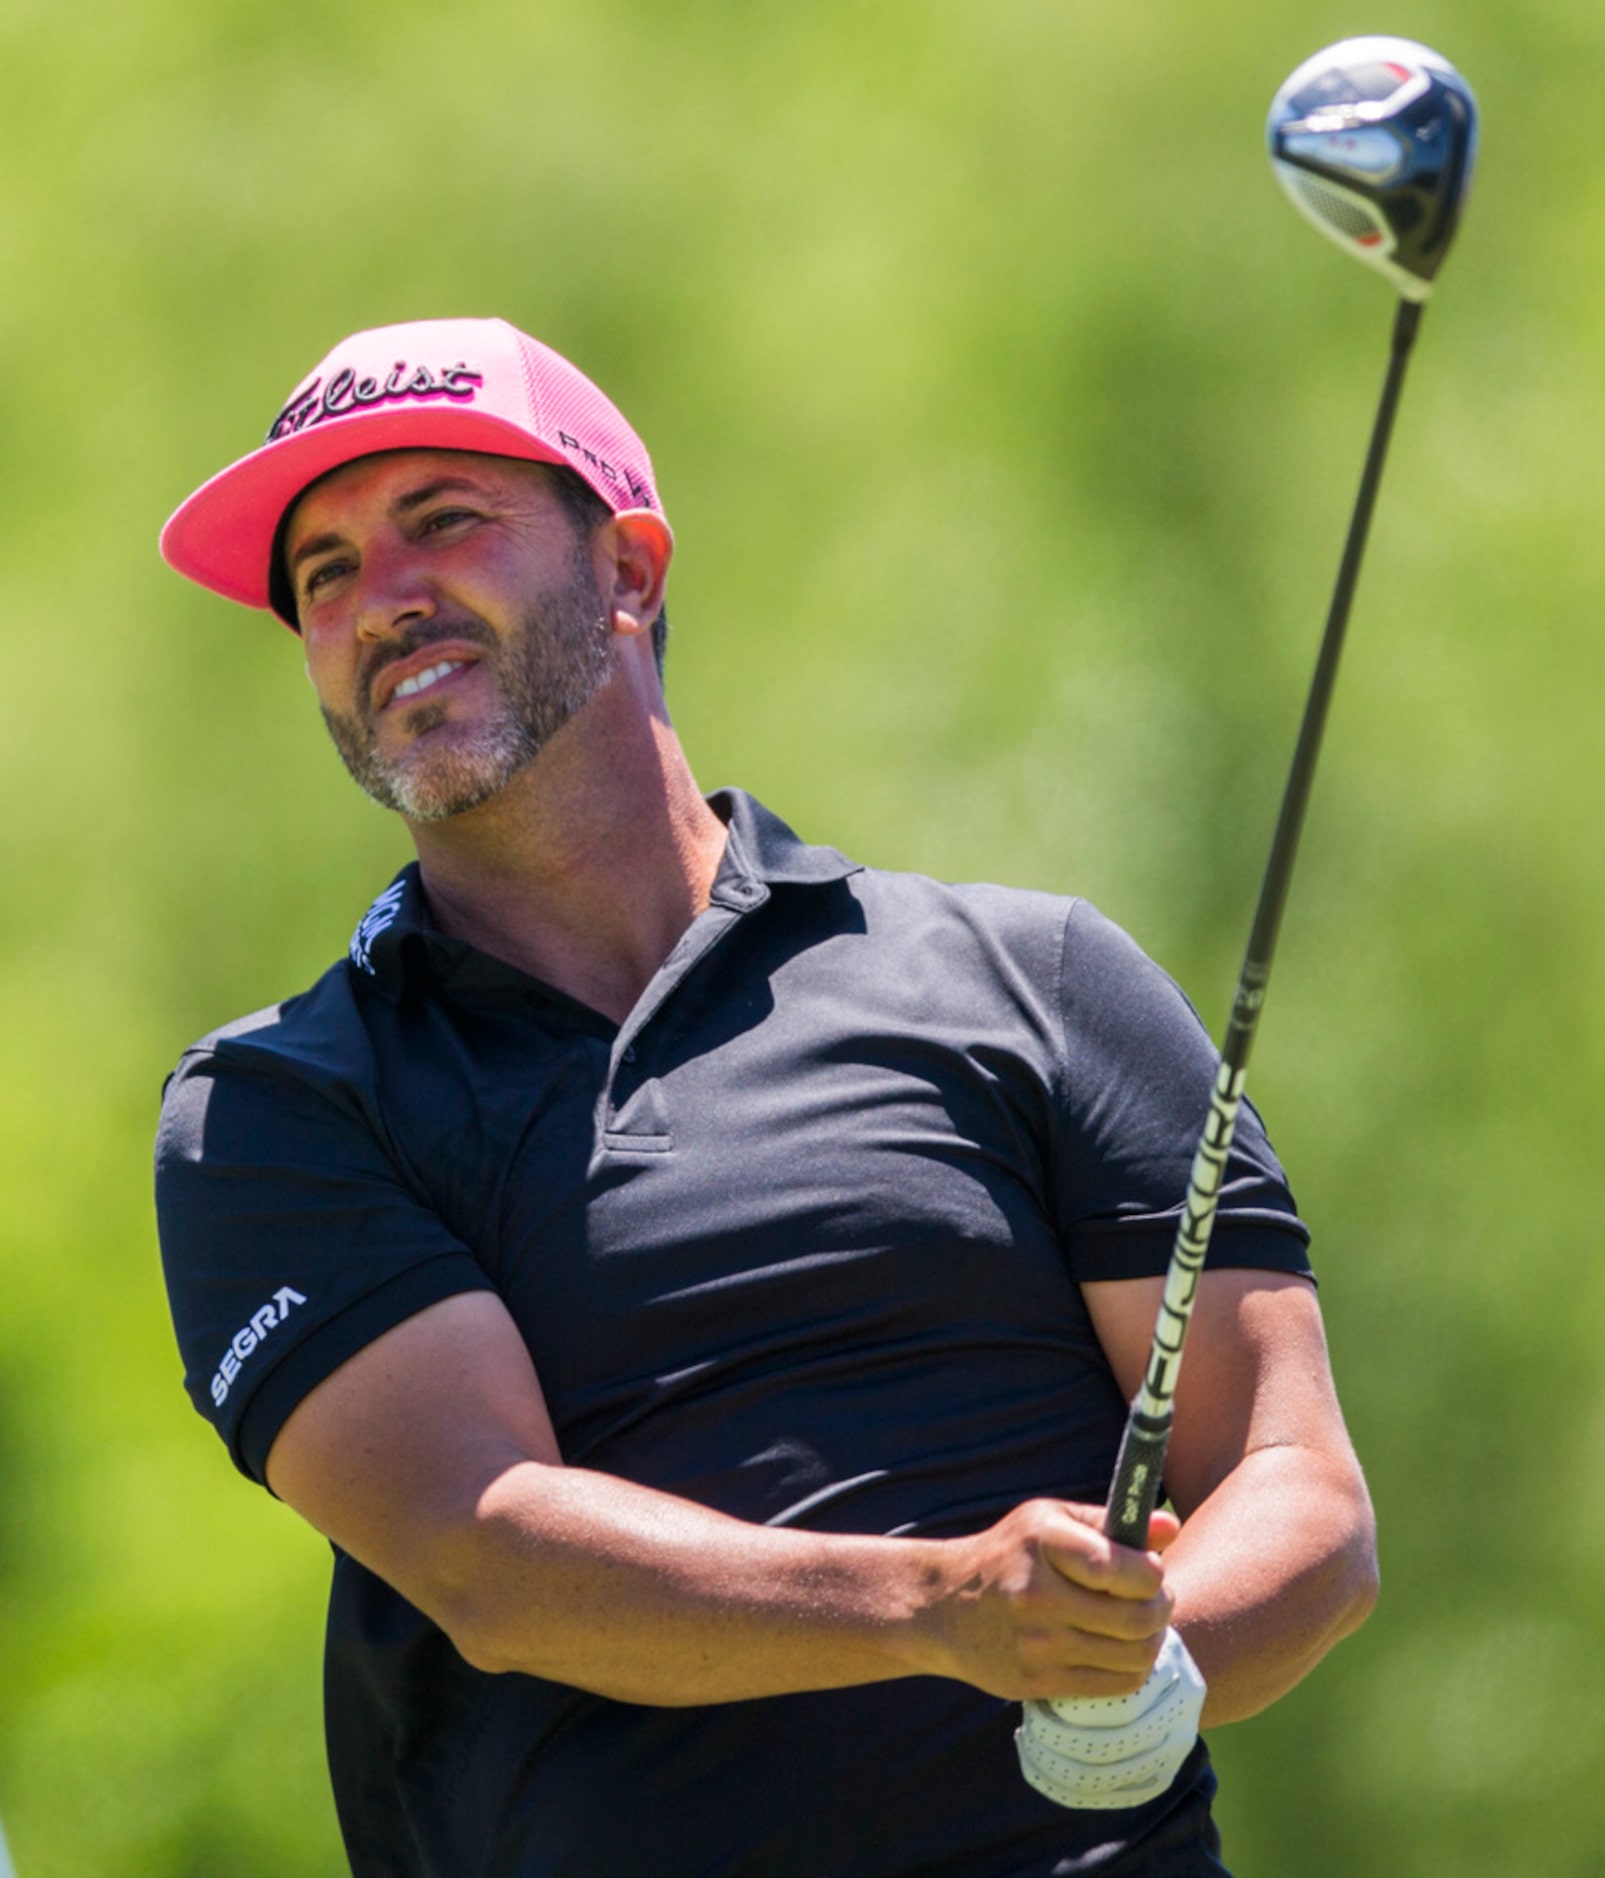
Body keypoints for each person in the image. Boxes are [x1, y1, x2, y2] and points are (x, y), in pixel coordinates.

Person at [154, 316, 1377, 1877]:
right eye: (321, 574)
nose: (379, 598)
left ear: (630, 571)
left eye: (443, 519)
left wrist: (1149, 1656)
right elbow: (488, 1548)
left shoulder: (1037, 979)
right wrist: (945, 1609)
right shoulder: (280, 1103)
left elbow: (1293, 1484)